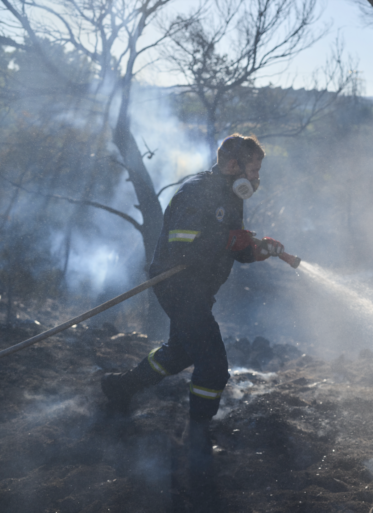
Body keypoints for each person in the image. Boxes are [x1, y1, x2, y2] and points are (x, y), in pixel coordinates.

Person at [100, 134, 283, 485]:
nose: (257, 178)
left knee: (181, 352)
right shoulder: (196, 192)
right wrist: (229, 240)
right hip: (178, 285)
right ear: (233, 165)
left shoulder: (232, 196)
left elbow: (236, 251)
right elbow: (182, 246)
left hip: (199, 289)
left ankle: (121, 389)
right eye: (254, 169)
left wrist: (259, 249)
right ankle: (197, 440)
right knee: (213, 365)